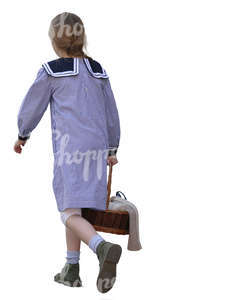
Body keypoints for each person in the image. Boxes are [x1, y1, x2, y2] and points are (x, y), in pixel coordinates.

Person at [14, 12, 122, 293]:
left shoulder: (52, 71)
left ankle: (101, 247)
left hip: (70, 151)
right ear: (81, 37)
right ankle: (71, 269)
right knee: (78, 208)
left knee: (67, 210)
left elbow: (31, 107)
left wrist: (22, 133)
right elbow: (111, 112)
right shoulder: (98, 70)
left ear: (54, 40)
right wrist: (113, 146)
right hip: (98, 149)